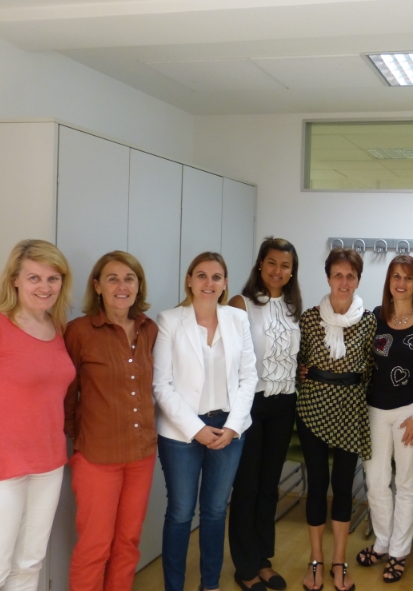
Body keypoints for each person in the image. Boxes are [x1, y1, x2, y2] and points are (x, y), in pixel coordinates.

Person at [153, 252, 257, 591]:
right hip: (181, 432)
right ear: (189, 280)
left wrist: (234, 426)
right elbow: (161, 385)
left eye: (216, 277)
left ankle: (209, 584)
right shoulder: (169, 320)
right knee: (181, 512)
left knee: (214, 511)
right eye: (201, 275)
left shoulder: (237, 319)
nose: (208, 283)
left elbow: (248, 377)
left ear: (225, 283)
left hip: (229, 428)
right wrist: (196, 429)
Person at [65, 251, 159, 591]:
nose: (122, 286)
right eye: (113, 278)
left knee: (128, 542)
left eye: (129, 278)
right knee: (95, 546)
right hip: (97, 457)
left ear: (138, 286)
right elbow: (66, 393)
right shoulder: (79, 331)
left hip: (141, 454)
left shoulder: (150, 329)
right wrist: (76, 438)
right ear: (97, 286)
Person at [0, 239, 76, 591]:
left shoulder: (58, 330)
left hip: (49, 463)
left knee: (30, 562)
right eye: (34, 277)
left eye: (53, 278)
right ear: (15, 280)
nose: (45, 287)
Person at [356, 255, 413, 583]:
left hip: (412, 411)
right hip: (375, 410)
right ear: (388, 281)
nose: (401, 283)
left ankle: (399, 551)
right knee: (377, 481)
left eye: (408, 277)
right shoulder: (376, 316)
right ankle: (382, 542)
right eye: (396, 276)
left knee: (407, 483)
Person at [296, 248, 377, 591]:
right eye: (338, 275)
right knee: (317, 485)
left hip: (350, 409)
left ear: (358, 280)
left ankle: (339, 561)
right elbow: (297, 361)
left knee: (343, 487)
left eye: (351, 276)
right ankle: (316, 560)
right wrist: (302, 372)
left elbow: (372, 367)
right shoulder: (309, 318)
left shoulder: (369, 320)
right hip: (312, 407)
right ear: (328, 278)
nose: (344, 282)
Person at [228, 237, 302, 591]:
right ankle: (244, 566)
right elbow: (231, 360)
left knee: (269, 486)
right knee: (247, 486)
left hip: (283, 404)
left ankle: (262, 559)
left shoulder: (292, 307)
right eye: (272, 262)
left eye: (285, 265)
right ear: (260, 264)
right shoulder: (240, 304)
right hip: (250, 405)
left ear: (292, 271)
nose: (277, 270)